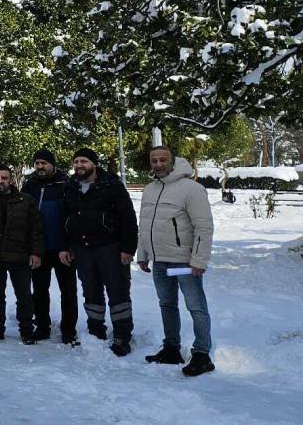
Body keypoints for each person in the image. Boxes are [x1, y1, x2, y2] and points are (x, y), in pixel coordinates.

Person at [137, 147, 215, 376]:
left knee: (196, 306)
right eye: (154, 160)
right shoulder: (150, 189)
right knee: (167, 305)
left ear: (173, 162)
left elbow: (204, 227)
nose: (158, 164)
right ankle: (172, 349)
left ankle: (202, 354)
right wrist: (143, 254)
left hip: (183, 261)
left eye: (163, 160)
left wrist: (199, 260)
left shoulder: (191, 189)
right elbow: (145, 225)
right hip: (159, 260)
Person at [58, 147, 138, 357]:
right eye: (76, 161)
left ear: (93, 163)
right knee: (91, 291)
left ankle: (122, 334)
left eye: (84, 161)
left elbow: (128, 218)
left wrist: (128, 248)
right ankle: (96, 330)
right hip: (82, 250)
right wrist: (65, 246)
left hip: (110, 247)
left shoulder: (111, 184)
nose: (79, 165)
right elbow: (65, 219)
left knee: (118, 291)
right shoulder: (71, 187)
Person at [21, 149, 80, 345]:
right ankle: (43, 326)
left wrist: (70, 245)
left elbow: (74, 216)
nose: (40, 167)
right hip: (39, 249)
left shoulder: (66, 184)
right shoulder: (30, 186)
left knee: (68, 291)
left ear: (52, 164)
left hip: (62, 248)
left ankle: (69, 329)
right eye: (37, 163)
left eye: (44, 163)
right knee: (39, 290)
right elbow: (24, 218)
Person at [0, 165, 43, 344]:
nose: (0, 181)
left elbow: (36, 230)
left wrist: (36, 253)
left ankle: (27, 331)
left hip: (20, 256)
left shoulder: (26, 200)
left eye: (4, 178)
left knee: (24, 296)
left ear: (11, 180)